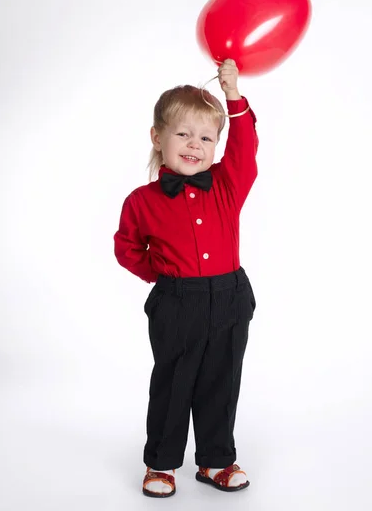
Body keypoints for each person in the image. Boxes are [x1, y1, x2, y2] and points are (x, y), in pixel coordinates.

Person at [114, 59, 258, 498]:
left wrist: (233, 95)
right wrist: (165, 279)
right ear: (158, 137)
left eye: (206, 137)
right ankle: (161, 463)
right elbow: (127, 248)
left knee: (222, 380)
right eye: (183, 134)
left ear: (217, 145)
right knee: (175, 382)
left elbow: (246, 146)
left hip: (230, 295)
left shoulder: (229, 185)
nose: (195, 145)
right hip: (177, 301)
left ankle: (215, 459)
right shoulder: (141, 201)